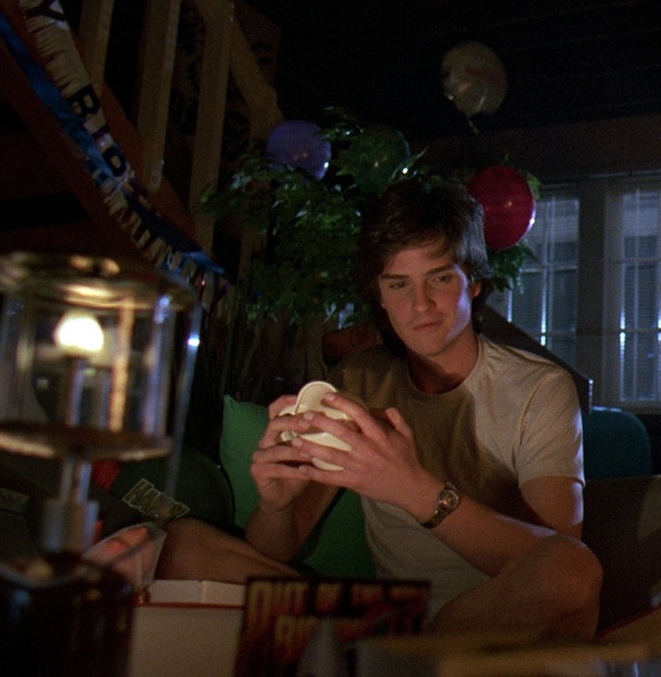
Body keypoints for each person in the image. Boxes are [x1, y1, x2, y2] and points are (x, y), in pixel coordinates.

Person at [157, 178, 601, 637]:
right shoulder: (359, 380)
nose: (420, 304)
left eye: (440, 278)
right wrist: (276, 507)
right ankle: (383, 653)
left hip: (487, 624)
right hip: (388, 620)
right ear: (381, 296)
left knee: (571, 570)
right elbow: (278, 550)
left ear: (473, 282)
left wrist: (410, 489)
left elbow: (560, 557)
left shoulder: (539, 388)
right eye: (398, 284)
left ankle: (405, 656)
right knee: (185, 546)